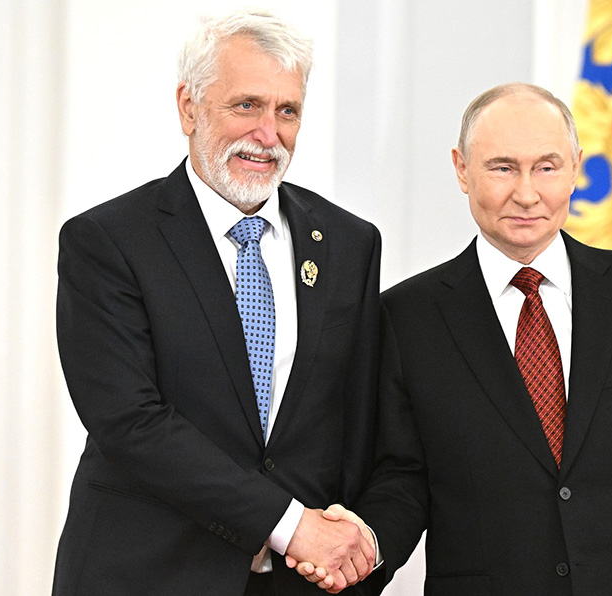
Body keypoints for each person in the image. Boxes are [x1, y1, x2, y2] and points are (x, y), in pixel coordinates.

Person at [298, 83, 612, 594]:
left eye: (547, 167)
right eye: (503, 168)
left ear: (576, 167)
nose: (527, 194)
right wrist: (365, 543)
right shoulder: (405, 318)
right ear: (462, 169)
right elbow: (404, 477)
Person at [52, 10, 381, 596]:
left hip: (302, 582)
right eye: (246, 105)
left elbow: (356, 422)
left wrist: (352, 548)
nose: (268, 134)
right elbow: (131, 422)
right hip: (146, 575)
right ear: (189, 107)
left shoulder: (349, 243)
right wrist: (290, 526)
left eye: (287, 111)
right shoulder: (108, 241)